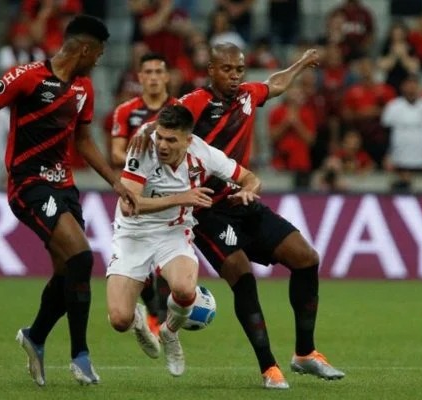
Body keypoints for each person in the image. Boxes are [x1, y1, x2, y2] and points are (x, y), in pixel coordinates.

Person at [0, 15, 137, 387]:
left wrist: (115, 182)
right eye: (100, 53)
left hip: (65, 188)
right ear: (86, 49)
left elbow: (83, 140)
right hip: (28, 186)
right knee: (80, 255)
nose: (100, 60)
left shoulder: (83, 89)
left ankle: (35, 336)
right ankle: (80, 356)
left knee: (69, 272)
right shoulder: (26, 77)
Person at [131, 43, 345, 389]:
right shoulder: (197, 101)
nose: (234, 76)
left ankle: (305, 354)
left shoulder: (247, 95)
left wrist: (301, 63)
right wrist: (141, 142)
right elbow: (163, 124)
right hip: (206, 210)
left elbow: (274, 84)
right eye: (227, 69)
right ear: (211, 70)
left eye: (239, 70)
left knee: (306, 258)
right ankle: (269, 368)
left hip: (242, 200)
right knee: (243, 277)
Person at [107, 104, 261, 377]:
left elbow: (250, 177)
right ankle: (140, 321)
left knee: (185, 290)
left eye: (171, 140)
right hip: (133, 233)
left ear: (188, 141)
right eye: (160, 137)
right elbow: (130, 204)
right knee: (119, 320)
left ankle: (170, 332)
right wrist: (181, 198)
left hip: (173, 231)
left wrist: (248, 191)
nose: (162, 145)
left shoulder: (205, 154)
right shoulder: (143, 148)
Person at [111, 52, 177, 333]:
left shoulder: (179, 110)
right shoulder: (126, 111)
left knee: (167, 257)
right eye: (147, 72)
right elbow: (115, 152)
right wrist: (145, 159)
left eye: (158, 71)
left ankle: (160, 316)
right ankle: (153, 310)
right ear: (140, 78)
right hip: (135, 193)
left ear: (166, 77)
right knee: (140, 261)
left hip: (171, 191)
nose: (152, 77)